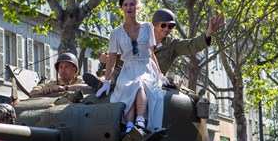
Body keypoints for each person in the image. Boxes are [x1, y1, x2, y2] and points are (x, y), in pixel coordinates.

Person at [91, 8, 224, 86]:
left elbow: (191, 46)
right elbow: (117, 53)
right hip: (128, 77)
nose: (167, 29)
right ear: (154, 24)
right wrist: (104, 56)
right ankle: (100, 82)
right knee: (115, 75)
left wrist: (208, 33)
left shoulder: (173, 45)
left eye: (171, 26)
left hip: (152, 82)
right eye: (164, 25)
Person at [96, 0, 166, 132]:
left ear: (137, 7)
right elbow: (112, 59)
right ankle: (129, 125)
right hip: (128, 69)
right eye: (126, 5)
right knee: (128, 87)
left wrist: (160, 74)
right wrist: (107, 81)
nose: (129, 8)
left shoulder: (147, 27)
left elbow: (151, 52)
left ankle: (140, 120)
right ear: (122, 8)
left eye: (132, 4)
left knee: (140, 84)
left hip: (146, 67)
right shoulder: (116, 33)